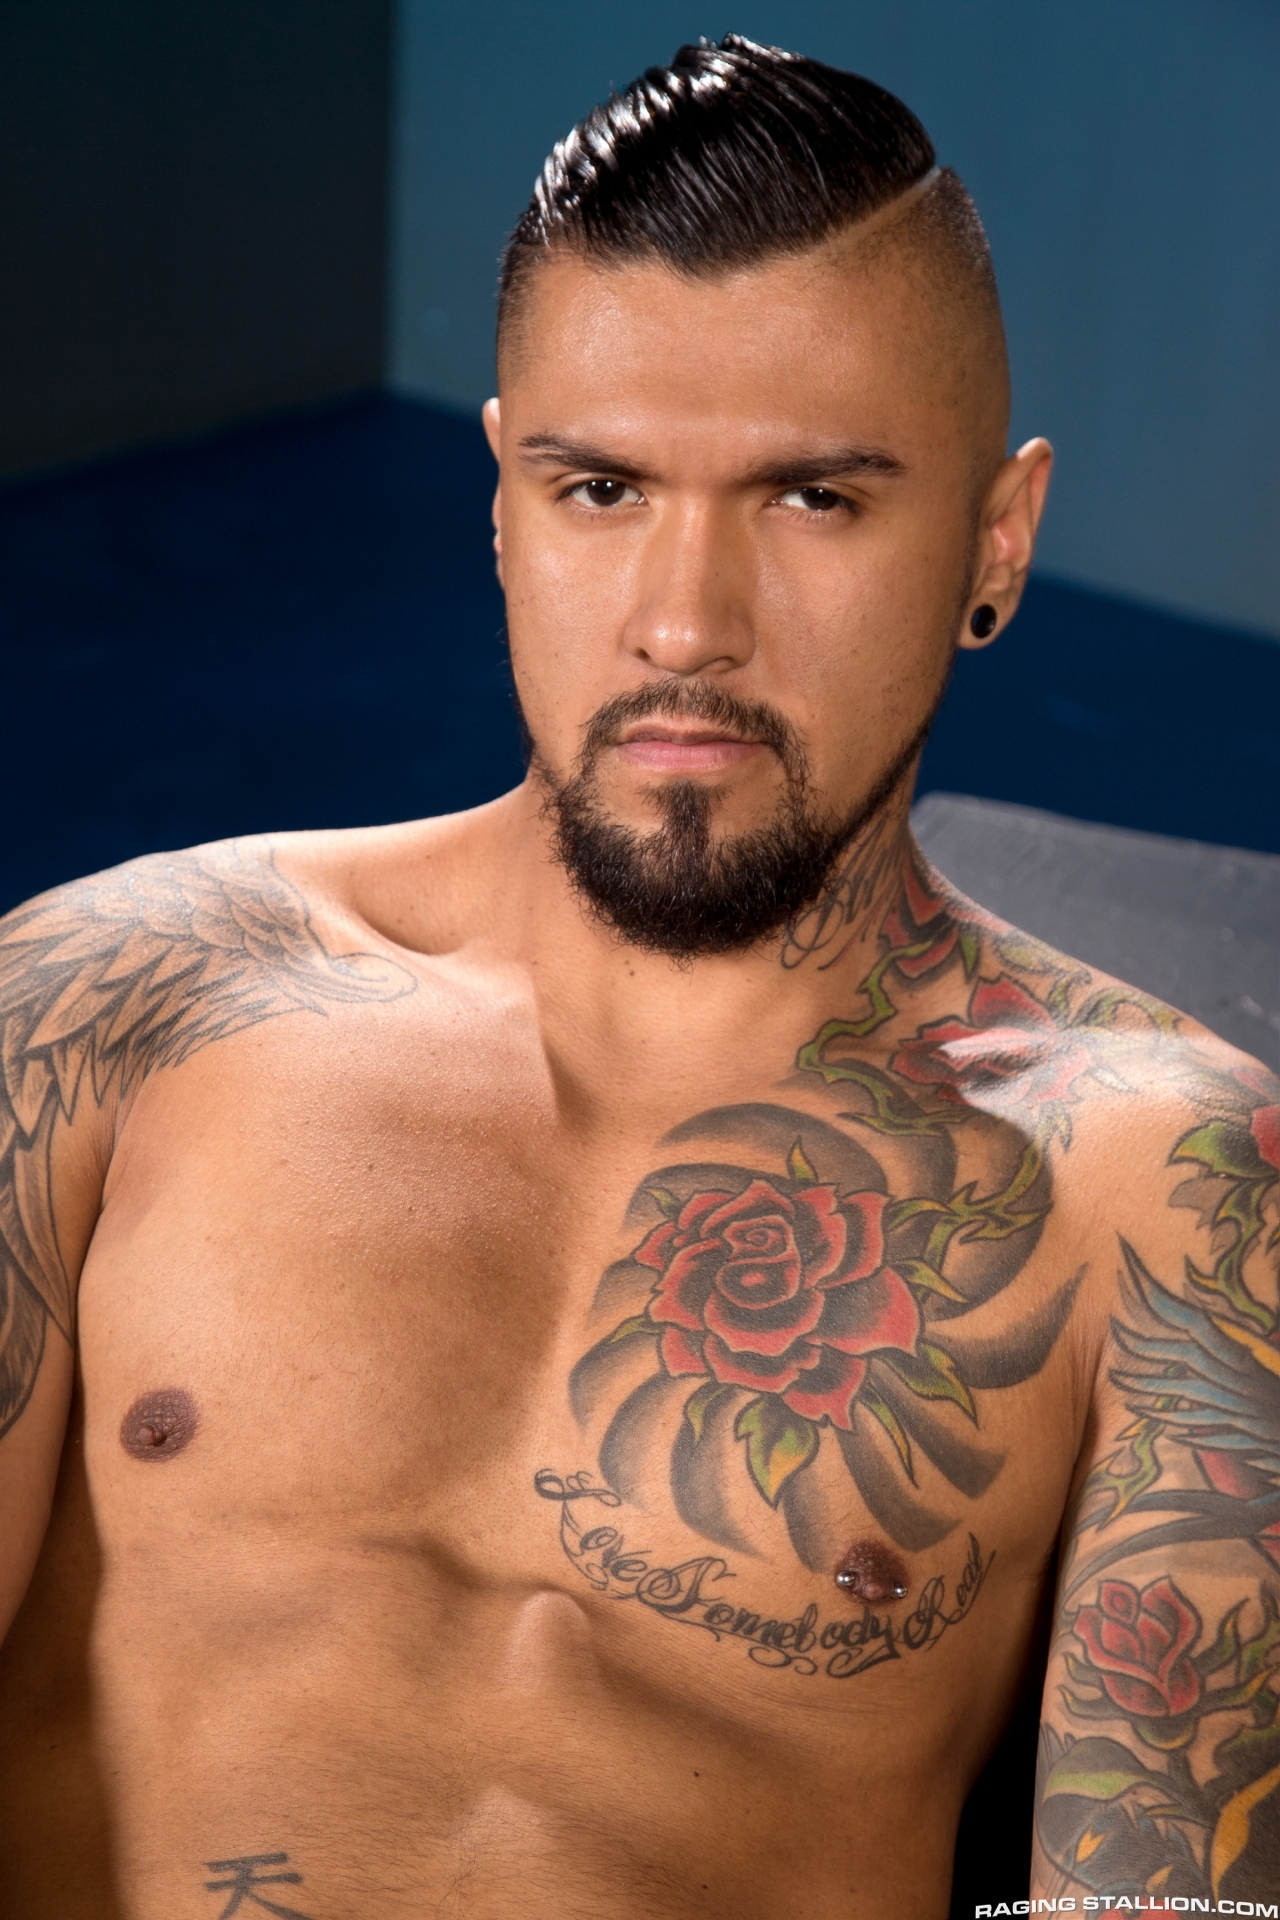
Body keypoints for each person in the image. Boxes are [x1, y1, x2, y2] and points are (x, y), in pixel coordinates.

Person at [0, 34, 1276, 1920]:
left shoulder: (1162, 1188)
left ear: (996, 540)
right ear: (501, 501)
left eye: (815, 499)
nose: (685, 626)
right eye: (600, 488)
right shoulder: (106, 1010)